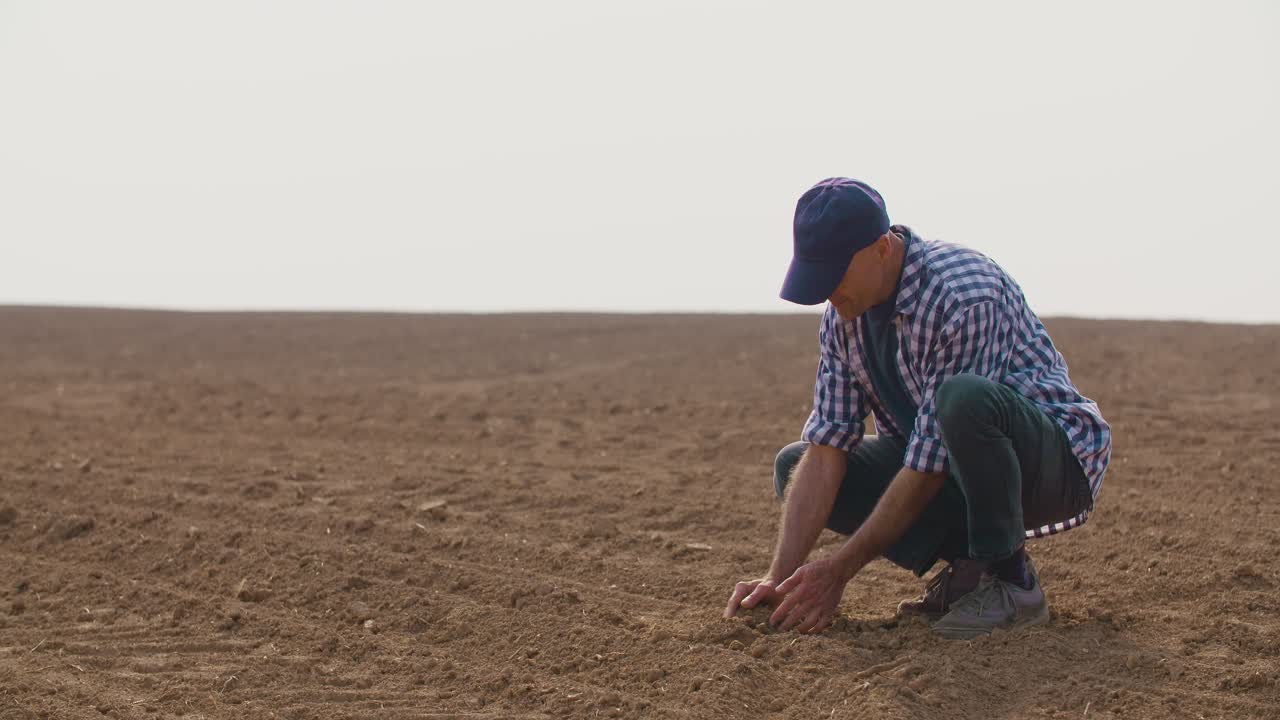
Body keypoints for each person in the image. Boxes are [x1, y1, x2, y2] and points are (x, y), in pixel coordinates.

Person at [724, 177, 1111, 639]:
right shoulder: (843, 320)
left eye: (834, 275)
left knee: (962, 400)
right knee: (795, 463)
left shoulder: (963, 295)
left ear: (882, 249)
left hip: (1052, 463)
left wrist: (839, 571)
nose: (828, 294)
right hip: (952, 464)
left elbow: (929, 462)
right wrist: (780, 578)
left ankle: (1012, 583)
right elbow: (828, 449)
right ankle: (973, 570)